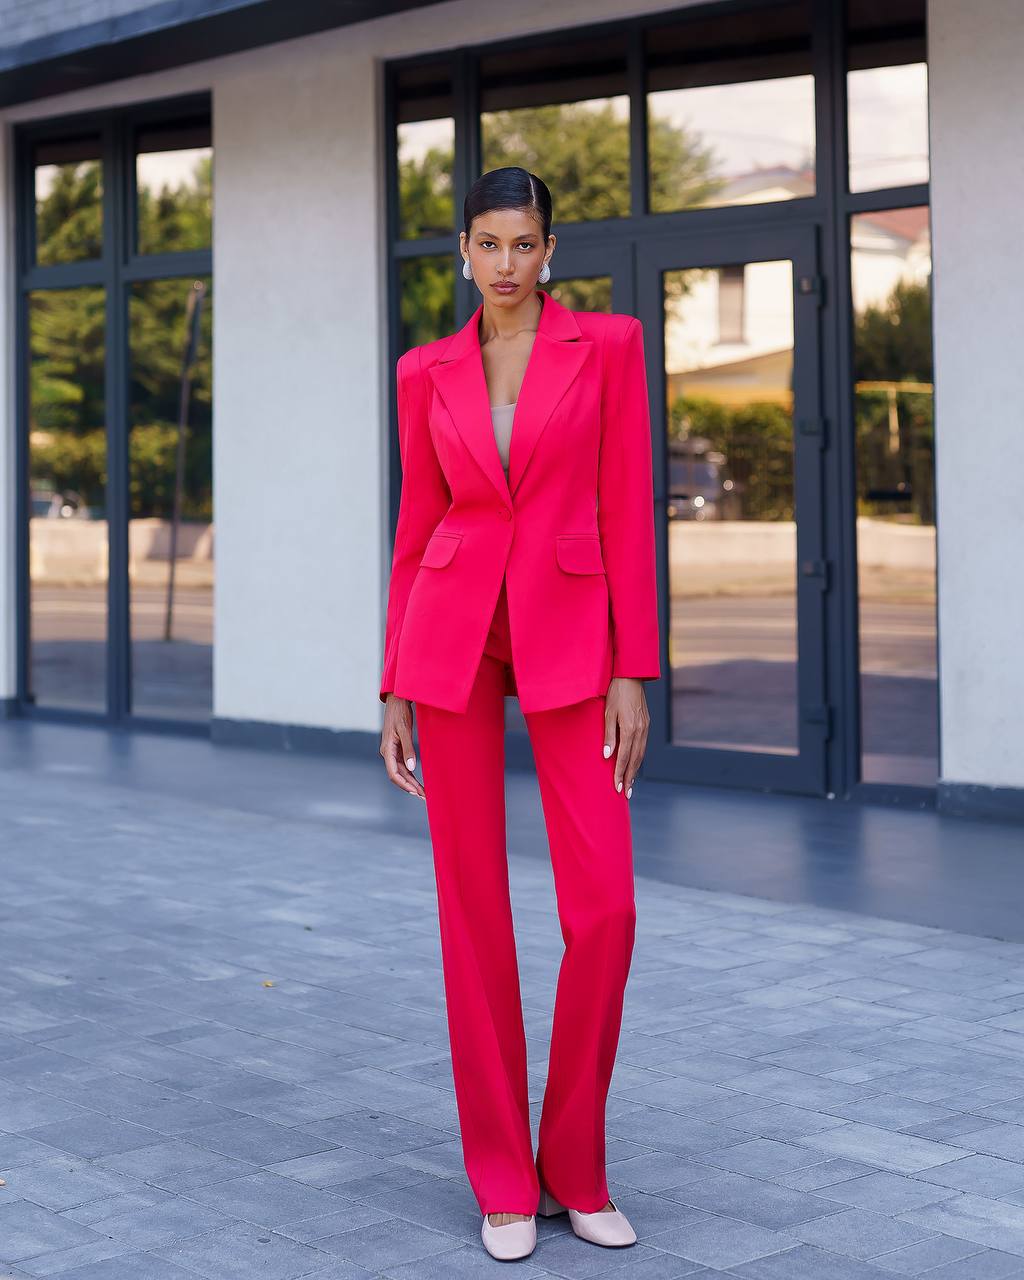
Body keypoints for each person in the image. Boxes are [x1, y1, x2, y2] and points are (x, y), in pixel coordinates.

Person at [378, 166, 660, 1261]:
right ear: (462, 249)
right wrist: (396, 674)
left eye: (523, 243)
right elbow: (419, 518)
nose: (505, 262)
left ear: (552, 250)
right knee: (471, 913)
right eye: (487, 243)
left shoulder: (611, 348)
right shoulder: (425, 369)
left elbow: (625, 506)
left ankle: (574, 1164)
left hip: (572, 635)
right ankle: (503, 1176)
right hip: (451, 635)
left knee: (608, 907)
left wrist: (631, 663)